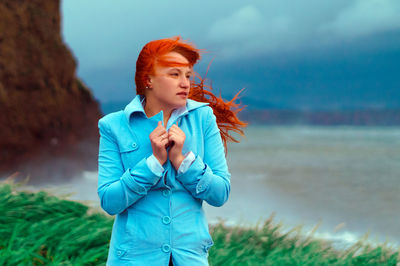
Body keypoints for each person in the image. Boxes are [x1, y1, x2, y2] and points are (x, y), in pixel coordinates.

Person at [97, 36, 246, 265]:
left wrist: (182, 160)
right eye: (174, 74)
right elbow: (110, 201)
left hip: (189, 258)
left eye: (187, 75)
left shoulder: (204, 118)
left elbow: (220, 194)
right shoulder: (113, 126)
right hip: (133, 259)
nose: (185, 83)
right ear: (148, 80)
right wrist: (153, 164)